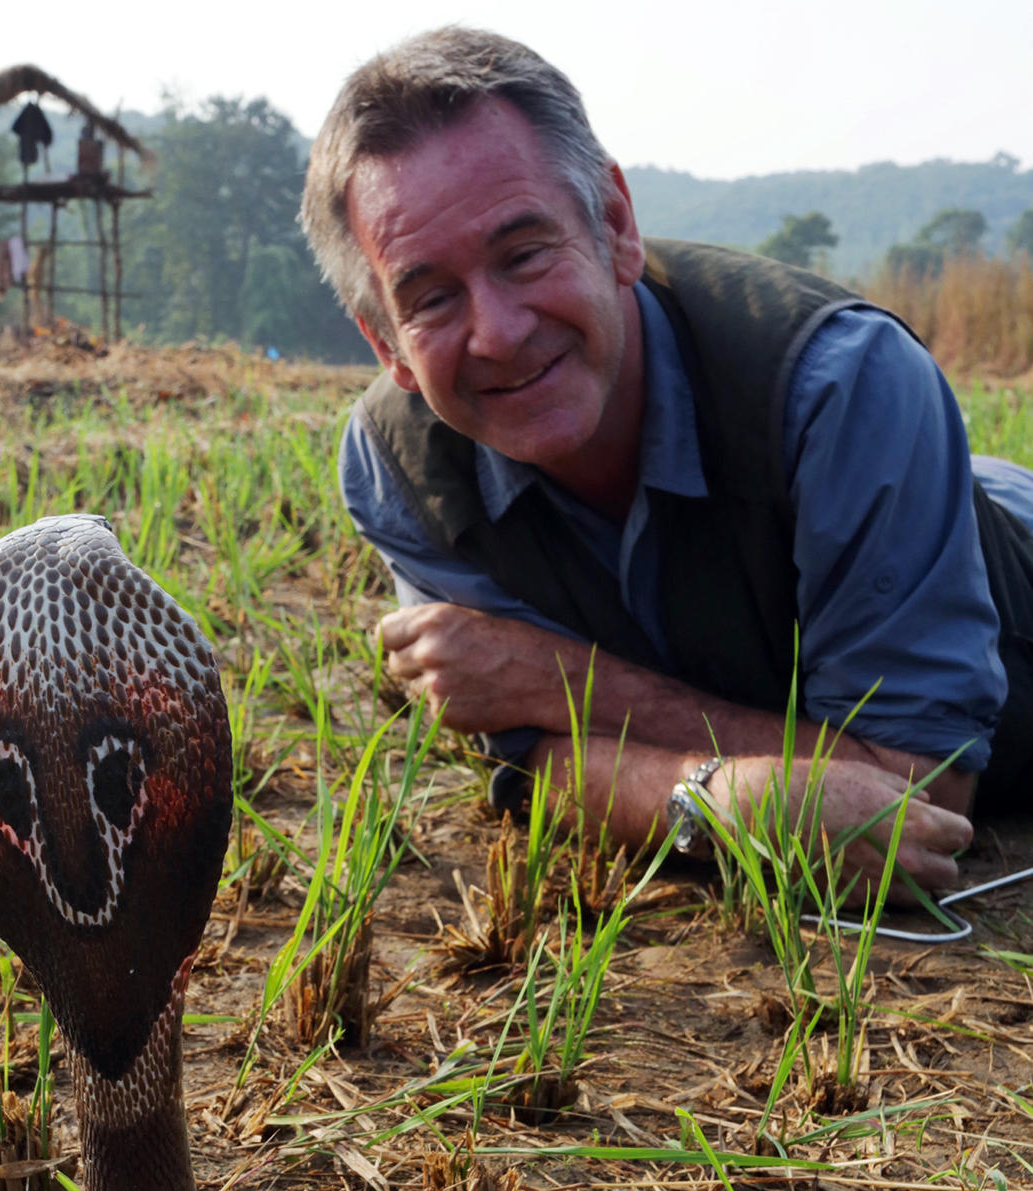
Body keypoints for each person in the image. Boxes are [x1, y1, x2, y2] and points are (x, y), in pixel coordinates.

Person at [299, 29, 1033, 897]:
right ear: (384, 343)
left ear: (614, 224)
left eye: (525, 254)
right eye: (431, 299)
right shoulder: (397, 466)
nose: (497, 333)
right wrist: (725, 802)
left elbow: (910, 805)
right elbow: (541, 760)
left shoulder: (843, 383)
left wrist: (557, 679)